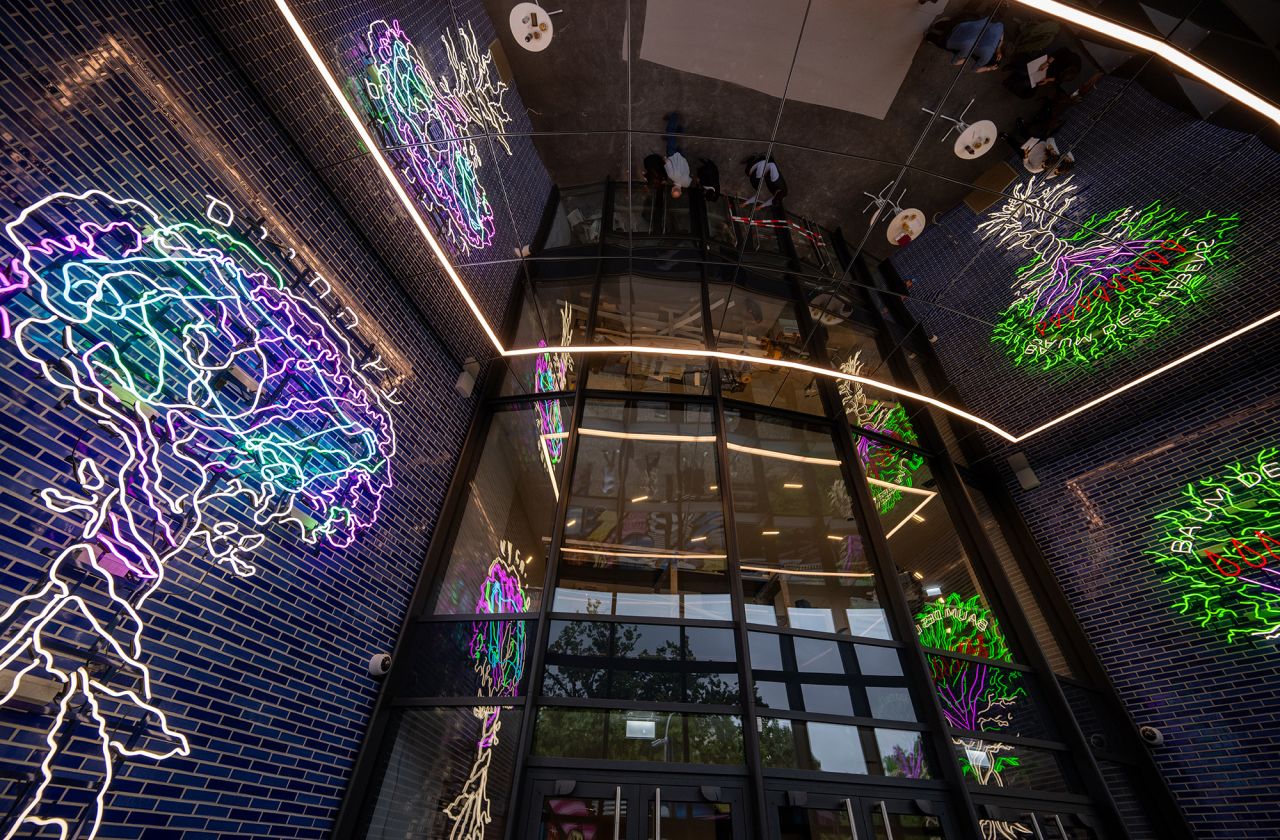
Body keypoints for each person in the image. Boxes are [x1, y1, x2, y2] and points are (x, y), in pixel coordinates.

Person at [1005, 46, 1082, 98]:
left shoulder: (1069, 76)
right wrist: (1047, 63)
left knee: (1030, 87)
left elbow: (1058, 79)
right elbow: (1061, 50)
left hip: (1051, 72)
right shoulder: (1071, 59)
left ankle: (1012, 81)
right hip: (1052, 59)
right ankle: (1013, 66)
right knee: (1026, 70)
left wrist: (1047, 80)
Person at [662, 111, 691, 198]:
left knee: (673, 140)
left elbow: (688, 174)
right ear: (672, 189)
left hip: (682, 157)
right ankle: (674, 117)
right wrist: (664, 159)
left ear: (681, 191)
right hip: (673, 154)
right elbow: (668, 162)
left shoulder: (687, 183)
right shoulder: (671, 176)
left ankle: (680, 129)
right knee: (670, 132)